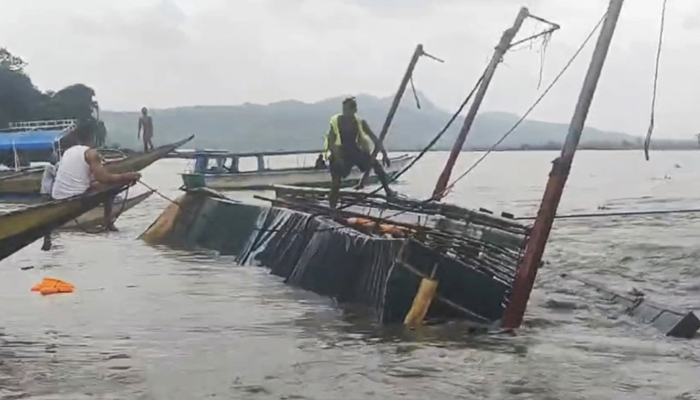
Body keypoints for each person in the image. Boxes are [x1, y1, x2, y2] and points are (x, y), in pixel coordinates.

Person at [50, 124, 141, 234]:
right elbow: (103, 178)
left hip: (57, 196)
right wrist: (126, 177)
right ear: (91, 138)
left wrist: (123, 179)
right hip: (75, 197)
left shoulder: (68, 152)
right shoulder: (91, 154)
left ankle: (107, 221)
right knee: (111, 186)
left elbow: (89, 182)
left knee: (109, 183)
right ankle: (108, 222)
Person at [324, 97, 394, 209]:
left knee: (375, 164)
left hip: (354, 151)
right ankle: (332, 208)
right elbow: (331, 142)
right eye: (344, 109)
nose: (345, 112)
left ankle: (387, 190)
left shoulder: (360, 122)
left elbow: (374, 138)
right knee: (335, 183)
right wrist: (337, 158)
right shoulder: (337, 121)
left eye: (348, 110)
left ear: (354, 110)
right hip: (340, 152)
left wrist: (384, 154)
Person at [39, 155, 59, 251]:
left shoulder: (49, 166)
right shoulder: (49, 167)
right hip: (47, 192)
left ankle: (48, 236)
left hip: (46, 191)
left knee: (47, 209)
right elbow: (57, 174)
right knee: (48, 210)